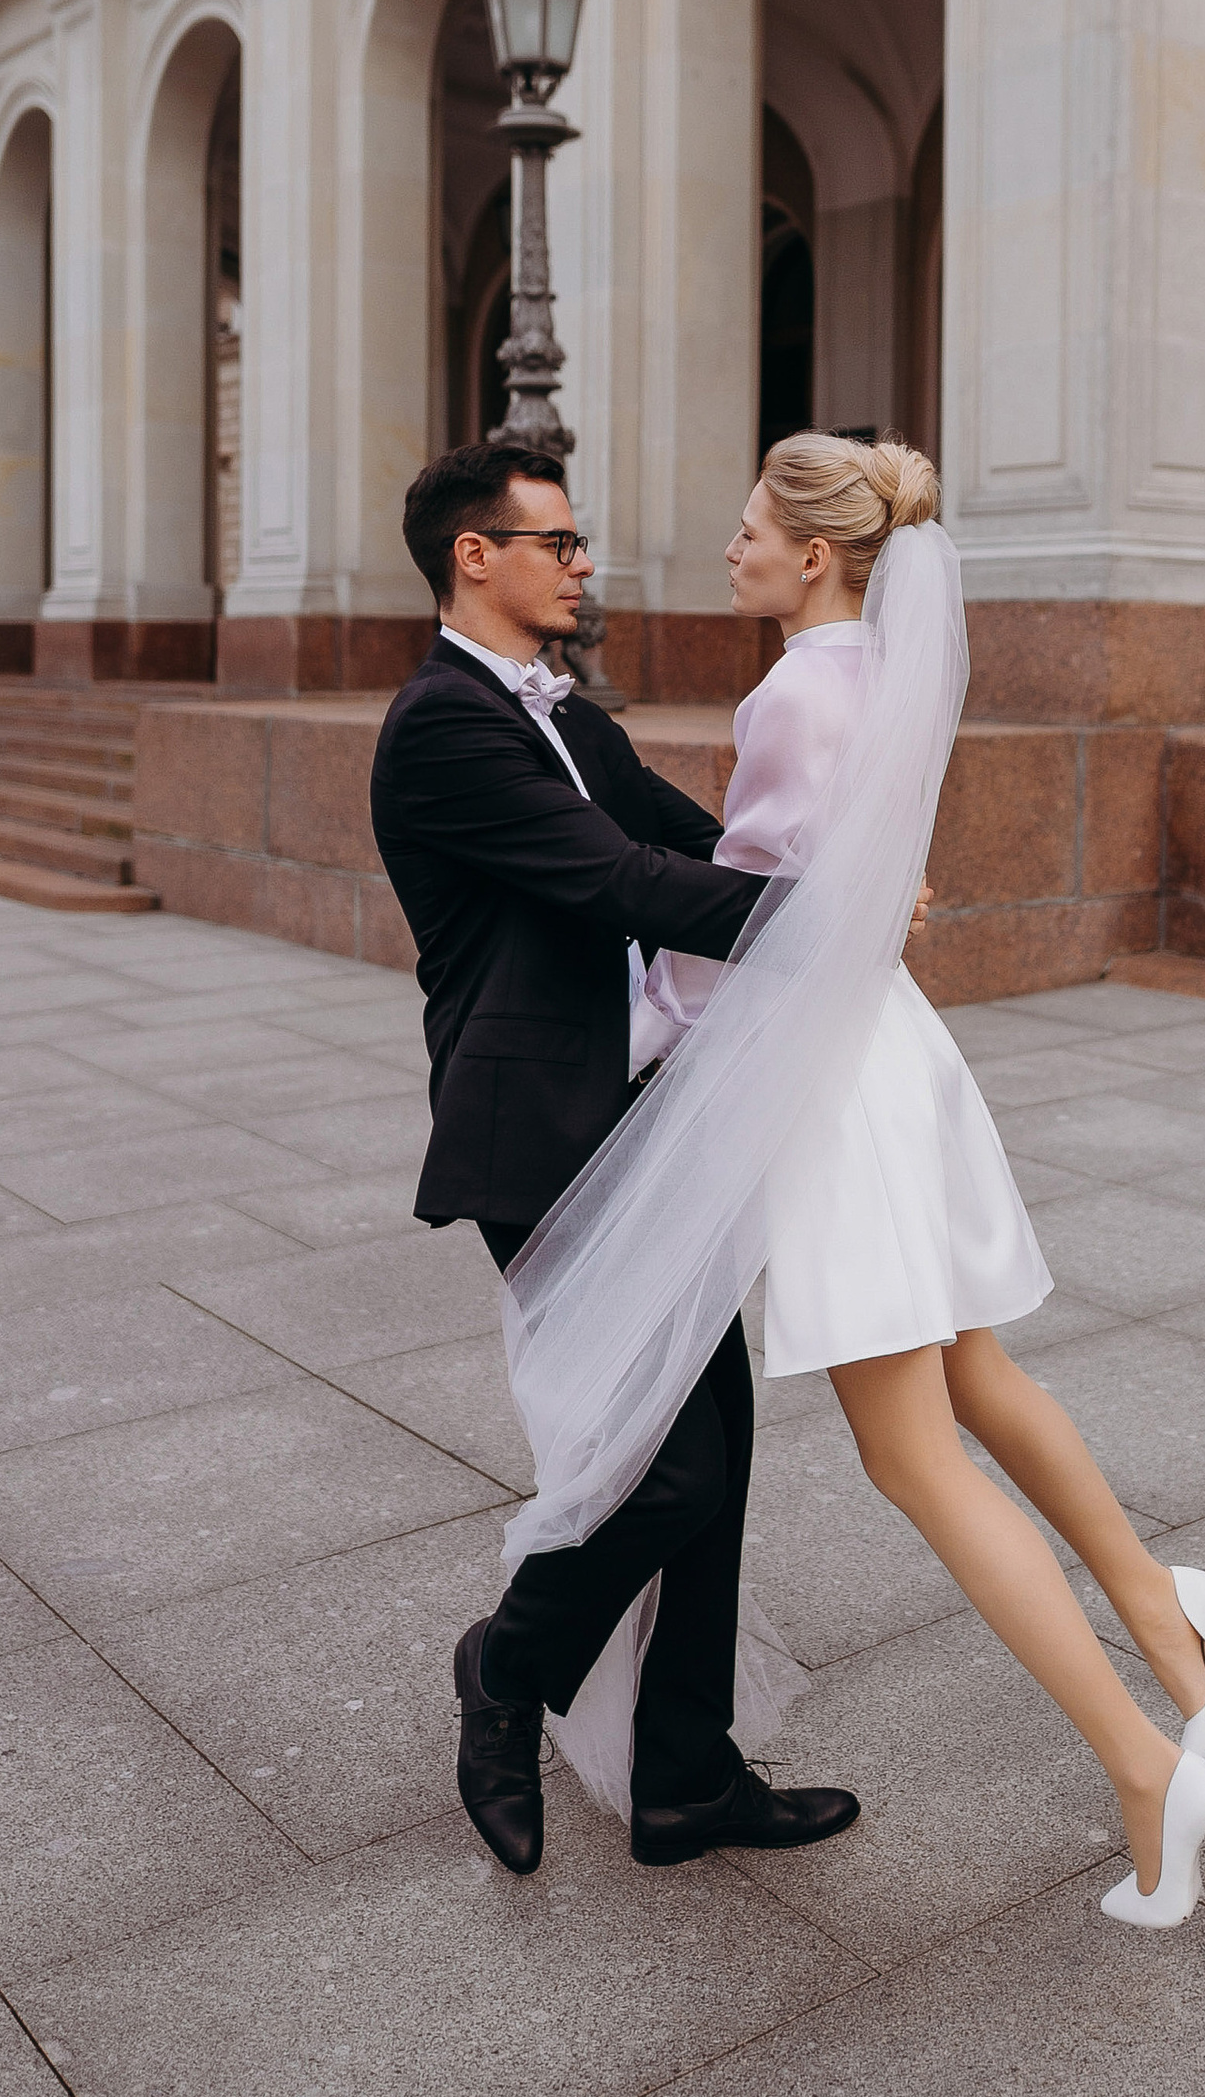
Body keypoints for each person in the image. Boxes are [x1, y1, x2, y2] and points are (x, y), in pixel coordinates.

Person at [513, 433, 1205, 1929]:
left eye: (747, 532)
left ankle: (1143, 1766)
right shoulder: (881, 674)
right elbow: (849, 890)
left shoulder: (794, 690)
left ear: (816, 555)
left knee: (912, 1451)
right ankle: (1163, 1615)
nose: (728, 549)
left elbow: (751, 924)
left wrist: (636, 1022)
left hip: (832, 1085)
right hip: (897, 1060)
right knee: (979, 1377)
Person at [367, 436, 863, 1881]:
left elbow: (686, 838)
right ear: (479, 556)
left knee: (720, 1450)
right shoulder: (442, 727)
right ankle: (504, 1667)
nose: (585, 565)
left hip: (644, 1119)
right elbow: (617, 885)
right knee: (667, 1479)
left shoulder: (571, 721)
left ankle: (686, 1780)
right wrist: (814, 932)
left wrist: (846, 867)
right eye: (561, 543)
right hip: (538, 1132)